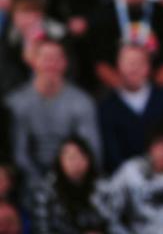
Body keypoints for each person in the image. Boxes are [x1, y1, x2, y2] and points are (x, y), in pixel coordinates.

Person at [5, 38, 101, 184]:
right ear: (33, 61)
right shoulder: (16, 103)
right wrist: (39, 184)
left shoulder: (82, 102)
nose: (51, 64)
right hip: (28, 183)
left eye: (56, 58)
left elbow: (90, 150)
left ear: (65, 63)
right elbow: (19, 155)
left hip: (73, 179)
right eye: (45, 58)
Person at [98, 43, 163, 173]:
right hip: (124, 178)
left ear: (148, 67)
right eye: (128, 62)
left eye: (139, 62)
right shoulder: (106, 106)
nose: (133, 68)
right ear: (118, 66)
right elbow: (110, 152)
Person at [29, 136, 108, 234]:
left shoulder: (102, 185)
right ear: (60, 161)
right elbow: (41, 229)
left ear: (88, 159)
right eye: (70, 157)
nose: (75, 162)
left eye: (80, 156)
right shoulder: (46, 190)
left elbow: (113, 222)